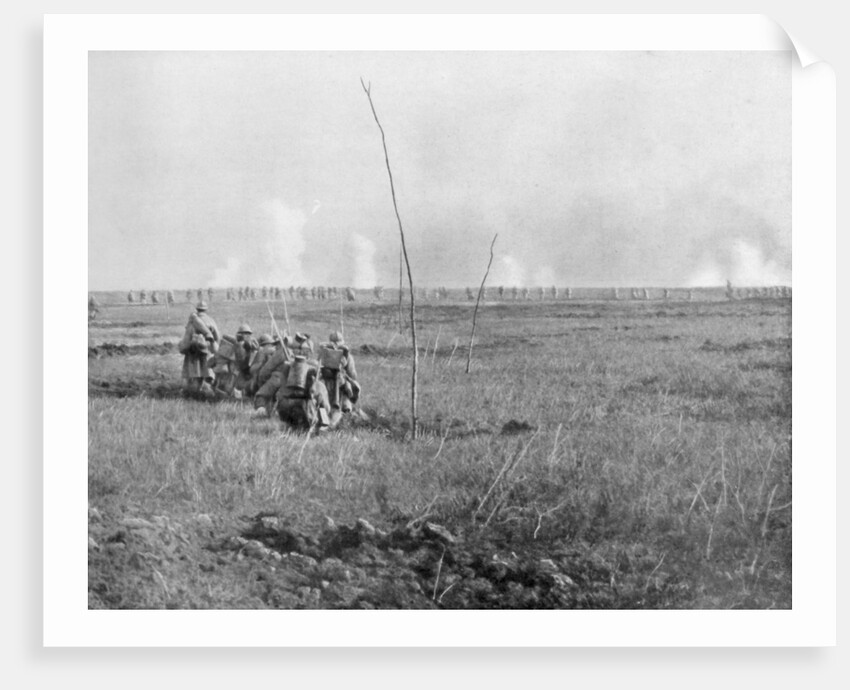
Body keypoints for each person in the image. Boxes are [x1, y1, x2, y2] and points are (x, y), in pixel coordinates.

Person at [275, 355, 331, 430]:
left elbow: (278, 398)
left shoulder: (287, 383)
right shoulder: (319, 386)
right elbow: (326, 407)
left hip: (285, 414)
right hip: (307, 416)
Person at [178, 301, 220, 396]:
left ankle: (192, 391)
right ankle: (207, 390)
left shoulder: (192, 321)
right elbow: (217, 336)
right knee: (207, 372)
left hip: (192, 351)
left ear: (197, 309)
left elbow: (186, 336)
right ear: (206, 309)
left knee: (192, 373)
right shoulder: (210, 320)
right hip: (206, 350)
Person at [318, 331, 361, 420]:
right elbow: (352, 374)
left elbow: (317, 365)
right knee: (349, 388)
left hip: (325, 380)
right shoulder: (348, 356)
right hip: (339, 381)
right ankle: (343, 408)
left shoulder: (323, 353)